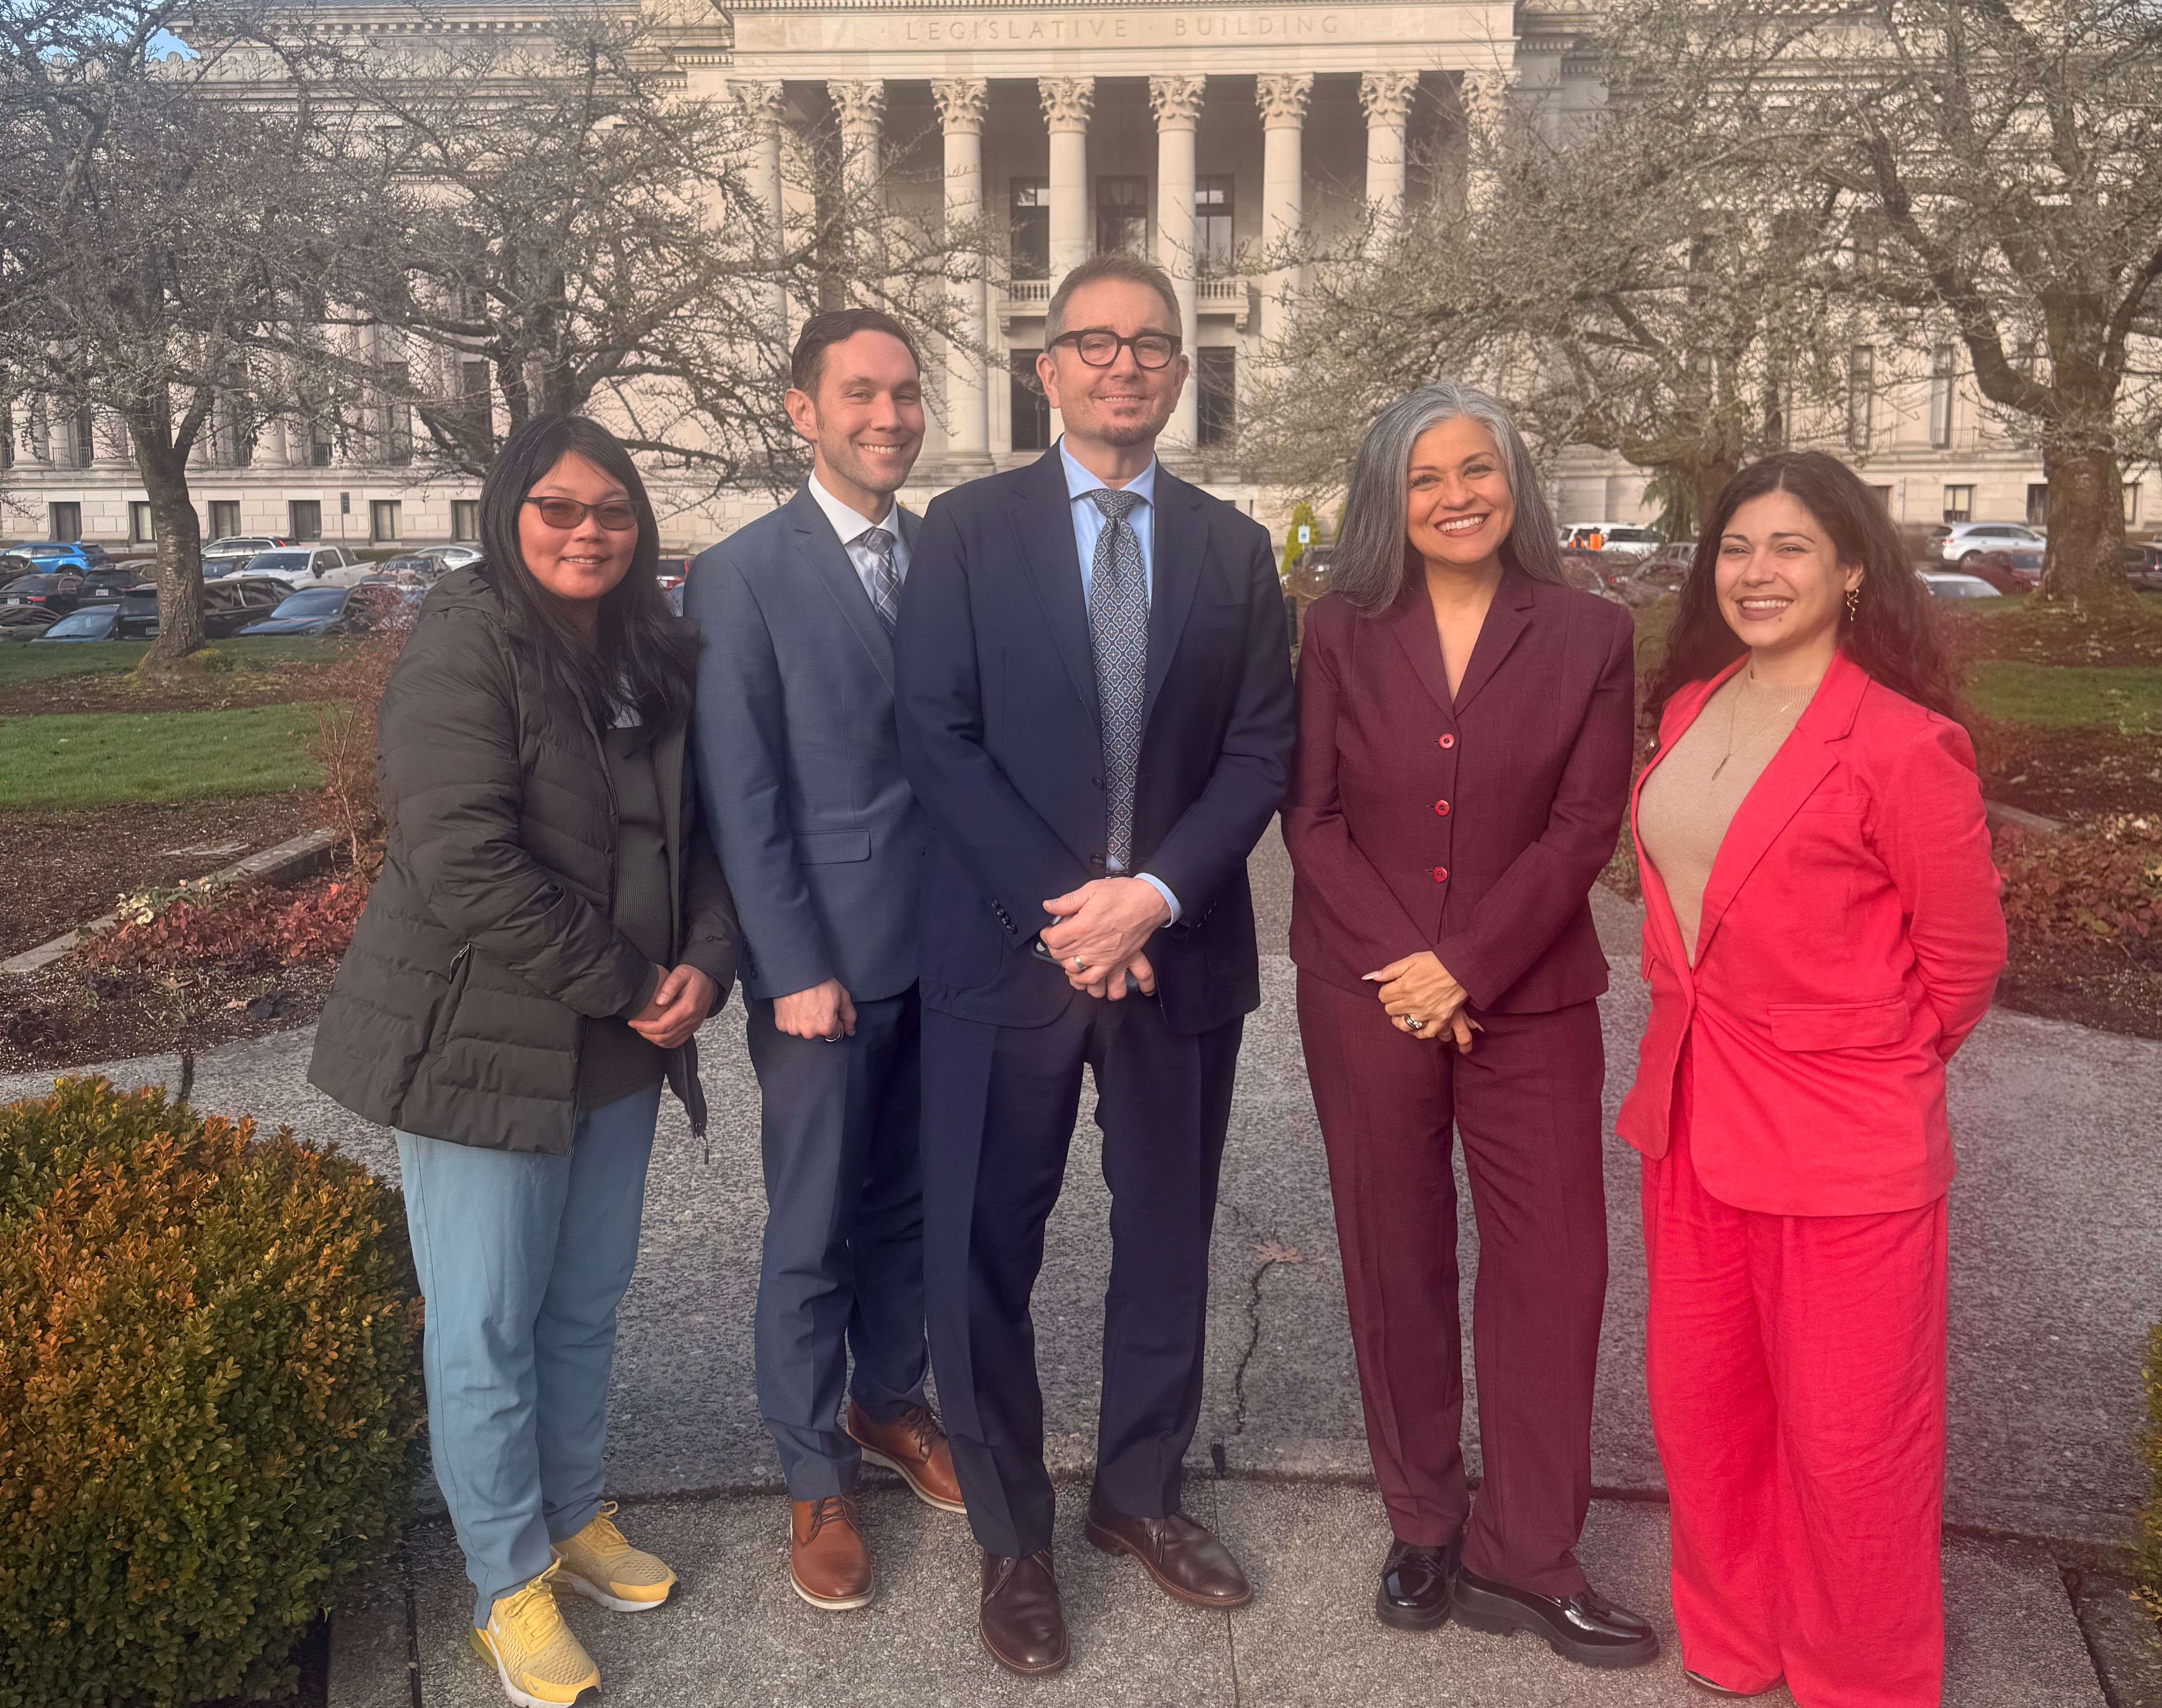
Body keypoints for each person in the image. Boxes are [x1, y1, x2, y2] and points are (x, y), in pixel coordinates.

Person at [894, 253, 1295, 1675]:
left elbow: (1261, 752)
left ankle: (1138, 1494)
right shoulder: (963, 530)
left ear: (1181, 376)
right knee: (979, 1251)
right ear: (1046, 366)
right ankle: (1012, 1535)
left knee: (1164, 1244)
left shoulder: (1231, 550)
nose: (1123, 366)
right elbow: (934, 735)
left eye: (1150, 347)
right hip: (1010, 957)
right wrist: (1075, 910)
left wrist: (1155, 897)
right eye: (1093, 343)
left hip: (1174, 961)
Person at [309, 415, 735, 1708]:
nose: (587, 530)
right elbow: (461, 860)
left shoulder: (649, 652)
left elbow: (704, 833)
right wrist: (628, 981)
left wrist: (705, 964)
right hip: (478, 1046)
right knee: (487, 1325)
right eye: (558, 508)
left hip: (616, 1049)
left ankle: (566, 1512)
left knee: (583, 1304)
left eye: (611, 510)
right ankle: (506, 1584)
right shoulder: (466, 645)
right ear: (509, 515)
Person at [1621, 450, 2005, 1704]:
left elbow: (1962, 963)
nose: (1757, 571)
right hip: (1692, 1115)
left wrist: (1861, 1066)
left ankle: (1861, 1676)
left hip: (1843, 1142)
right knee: (1708, 1409)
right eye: (1737, 547)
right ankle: (1736, 1640)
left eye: (1790, 547)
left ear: (1850, 568)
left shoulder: (1902, 745)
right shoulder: (1691, 706)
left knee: (1851, 1445)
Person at [1280, 381, 1656, 1665]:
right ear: (1391, 496)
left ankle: (1528, 1551)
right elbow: (1312, 817)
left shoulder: (1589, 634)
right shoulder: (1337, 629)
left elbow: (1581, 827)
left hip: (1532, 1001)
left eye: (1479, 469)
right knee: (1396, 1260)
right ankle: (1426, 1520)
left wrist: (1468, 967)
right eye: (1427, 475)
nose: (1456, 495)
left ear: (1517, 483)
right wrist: (1409, 965)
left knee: (1554, 1271)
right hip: (1366, 994)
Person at [685, 308, 963, 1614]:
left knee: (908, 1209)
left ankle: (886, 1405)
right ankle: (810, 1470)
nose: (889, 417)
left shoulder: (941, 554)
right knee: (810, 1229)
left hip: (943, 953)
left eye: (905, 393)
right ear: (801, 409)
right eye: (860, 393)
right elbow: (742, 791)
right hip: (824, 972)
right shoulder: (742, 573)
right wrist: (789, 962)